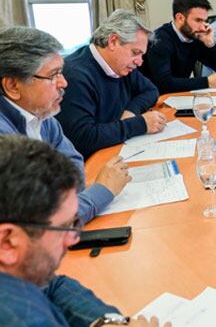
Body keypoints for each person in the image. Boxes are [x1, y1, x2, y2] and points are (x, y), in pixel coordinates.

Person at [0, 136, 161, 326]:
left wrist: (105, 323)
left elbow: (51, 285)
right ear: (8, 241)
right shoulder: (22, 319)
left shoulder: (18, 272)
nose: (73, 240)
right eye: (64, 228)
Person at [0, 27, 130, 223]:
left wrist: (54, 199)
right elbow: (41, 222)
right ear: (12, 86)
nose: (64, 83)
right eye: (53, 75)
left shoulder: (42, 114)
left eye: (61, 72)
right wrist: (103, 190)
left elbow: (73, 165)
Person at [56, 10, 166, 159]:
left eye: (141, 55)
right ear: (113, 41)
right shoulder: (75, 75)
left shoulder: (122, 65)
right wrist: (140, 124)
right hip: (88, 164)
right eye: (135, 52)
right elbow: (83, 138)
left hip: (115, 149)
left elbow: (151, 90)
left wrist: (131, 112)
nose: (140, 62)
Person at [141, 0, 216, 94]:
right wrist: (206, 82)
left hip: (180, 95)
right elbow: (164, 83)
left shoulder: (196, 36)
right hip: (157, 99)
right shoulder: (159, 40)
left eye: (204, 21)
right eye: (198, 20)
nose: (203, 26)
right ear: (180, 18)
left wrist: (210, 44)